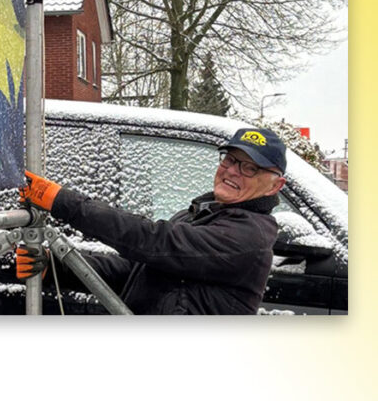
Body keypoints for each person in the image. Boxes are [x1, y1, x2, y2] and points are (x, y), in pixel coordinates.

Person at [16, 127, 288, 315]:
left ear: (276, 186)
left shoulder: (249, 238)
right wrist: (56, 267)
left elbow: (153, 241)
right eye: (229, 159)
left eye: (249, 168)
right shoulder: (199, 213)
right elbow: (135, 270)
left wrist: (61, 201)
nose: (232, 171)